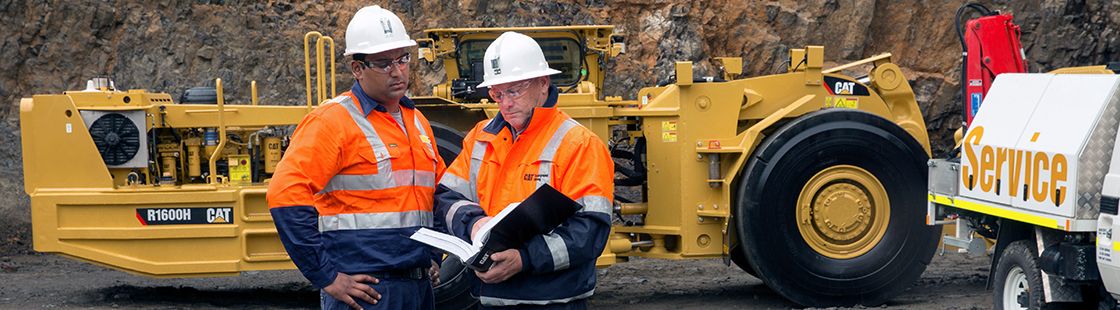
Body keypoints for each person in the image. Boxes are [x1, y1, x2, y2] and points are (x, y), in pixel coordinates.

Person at [267, 5, 444, 310]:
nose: (398, 70)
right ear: (357, 68)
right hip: (367, 292)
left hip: (417, 286)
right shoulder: (332, 121)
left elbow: (435, 194)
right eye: (383, 62)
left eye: (403, 58)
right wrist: (327, 276)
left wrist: (433, 254)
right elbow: (285, 195)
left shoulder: (416, 121)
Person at [434, 31, 614, 309]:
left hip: (553, 301)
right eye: (497, 93)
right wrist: (475, 224)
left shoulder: (580, 145)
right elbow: (447, 198)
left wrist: (524, 259)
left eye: (514, 90)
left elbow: (590, 233)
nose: (504, 103)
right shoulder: (480, 138)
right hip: (488, 299)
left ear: (543, 84)